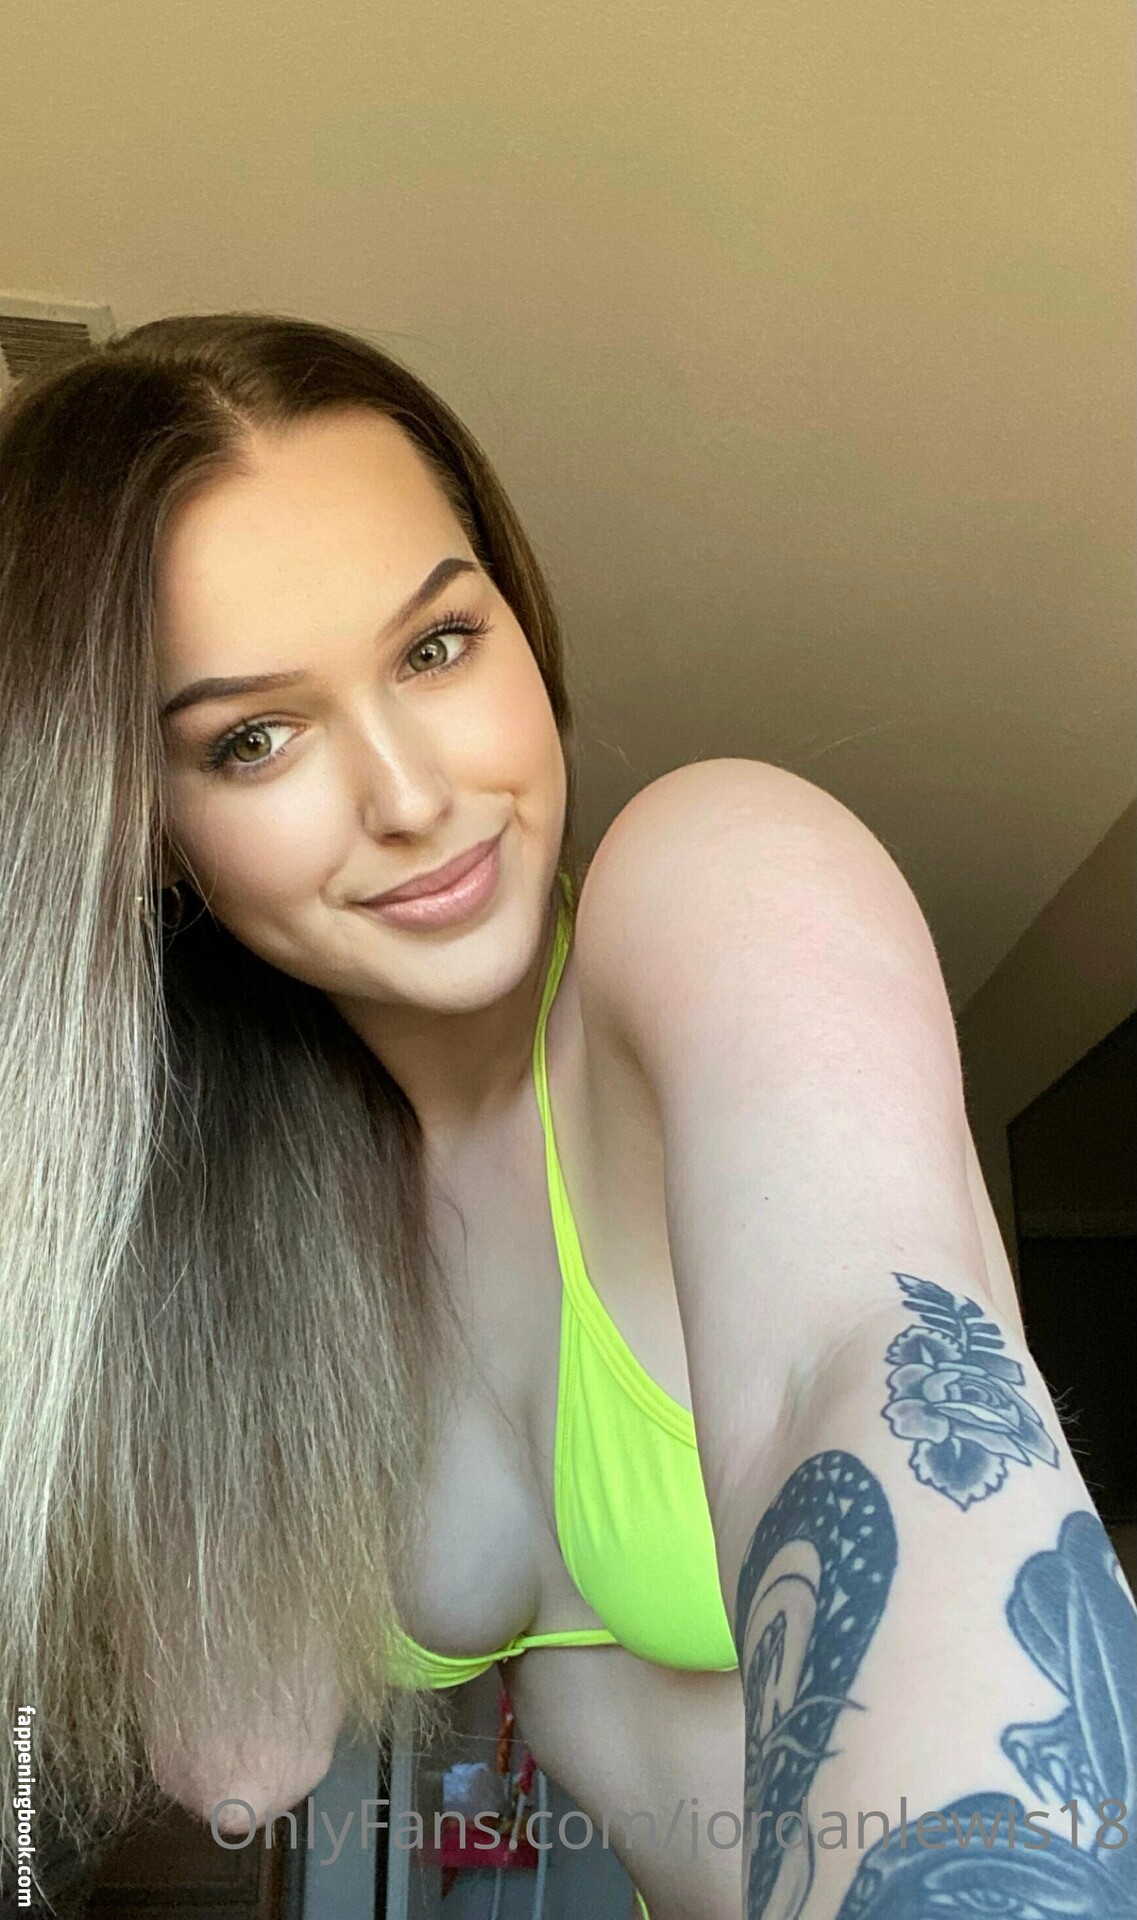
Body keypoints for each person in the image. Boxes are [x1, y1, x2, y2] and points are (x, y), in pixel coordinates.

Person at [1, 313, 1132, 1920]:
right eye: (254, 739)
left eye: (435, 646)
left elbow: (863, 1362)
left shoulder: (718, 883)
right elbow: (240, 1752)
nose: (411, 794)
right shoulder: (256, 1200)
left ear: (517, 623)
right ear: (135, 824)